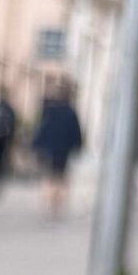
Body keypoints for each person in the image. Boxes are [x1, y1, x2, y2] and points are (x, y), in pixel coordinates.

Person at [31, 78, 84, 218]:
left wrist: (37, 145)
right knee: (59, 177)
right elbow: (76, 132)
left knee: (50, 176)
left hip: (50, 149)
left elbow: (42, 129)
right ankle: (55, 206)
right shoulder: (70, 113)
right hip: (62, 150)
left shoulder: (51, 111)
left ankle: (49, 204)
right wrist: (77, 146)